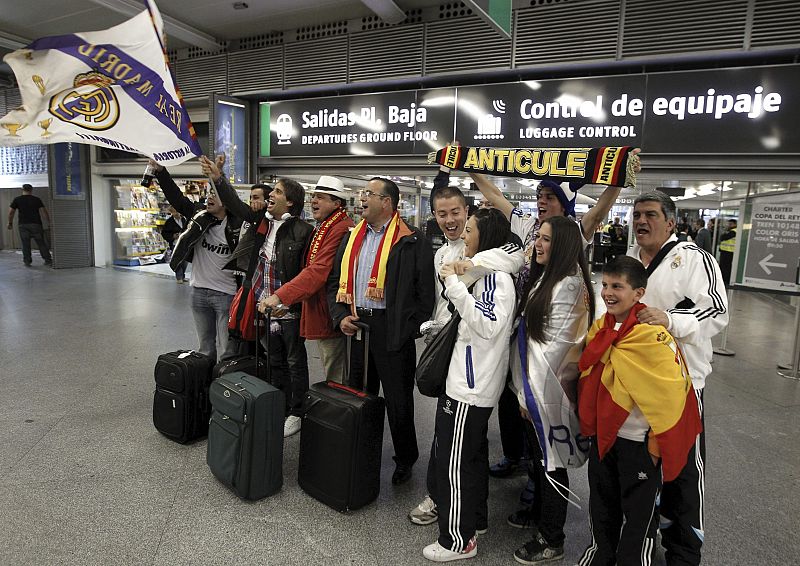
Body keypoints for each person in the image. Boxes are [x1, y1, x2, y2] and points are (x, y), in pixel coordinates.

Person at [467, 150, 639, 505]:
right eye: (539, 196)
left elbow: (601, 211)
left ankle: (539, 471)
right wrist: (468, 165)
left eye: (549, 198)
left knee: (540, 403)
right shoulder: (528, 225)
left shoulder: (574, 231)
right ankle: (516, 457)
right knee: (512, 399)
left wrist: (620, 177)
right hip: (516, 326)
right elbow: (498, 199)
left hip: (548, 331)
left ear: (563, 204)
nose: (541, 202)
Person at [408, 182, 524, 529]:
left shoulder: (494, 251)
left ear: (468, 212)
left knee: (462, 438)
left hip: (478, 359)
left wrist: (469, 264)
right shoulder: (440, 254)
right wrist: (434, 328)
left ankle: (451, 505)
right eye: (442, 214)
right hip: (449, 347)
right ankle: (452, 499)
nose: (450, 220)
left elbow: (513, 258)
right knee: (451, 433)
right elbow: (442, 302)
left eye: (456, 213)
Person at [576, 256, 702, 566]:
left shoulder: (652, 337)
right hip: (605, 438)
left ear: (639, 293)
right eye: (605, 285)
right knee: (602, 504)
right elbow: (589, 376)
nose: (608, 292)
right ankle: (601, 555)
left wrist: (656, 444)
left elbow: (671, 395)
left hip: (639, 443)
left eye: (617, 286)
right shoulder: (600, 328)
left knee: (639, 514)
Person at [628, 191, 728, 566]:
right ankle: (640, 544)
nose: (641, 221)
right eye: (637, 214)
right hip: (636, 388)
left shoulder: (693, 259)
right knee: (642, 471)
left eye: (651, 215)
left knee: (682, 473)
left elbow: (717, 311)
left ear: (670, 222)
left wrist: (671, 320)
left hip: (683, 387)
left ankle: (684, 554)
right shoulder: (630, 262)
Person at [328, 177, 434, 485]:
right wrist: (340, 317)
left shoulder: (411, 240)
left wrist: (406, 330)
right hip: (357, 325)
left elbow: (424, 295)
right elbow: (335, 282)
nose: (361, 199)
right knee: (359, 394)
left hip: (392, 330)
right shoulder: (352, 238)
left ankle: (405, 459)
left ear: (386, 201)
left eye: (368, 194)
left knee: (399, 401)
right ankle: (363, 449)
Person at [200, 156, 313, 438]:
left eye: (277, 192)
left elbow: (305, 273)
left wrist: (288, 302)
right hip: (264, 305)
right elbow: (236, 204)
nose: (270, 195)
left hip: (288, 309)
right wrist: (218, 178)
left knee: (294, 362)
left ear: (291, 203)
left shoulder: (303, 231)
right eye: (271, 191)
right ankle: (280, 402)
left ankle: (297, 411)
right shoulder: (262, 221)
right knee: (273, 360)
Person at [509, 215, 596, 565]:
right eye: (538, 238)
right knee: (540, 458)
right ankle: (541, 518)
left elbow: (556, 348)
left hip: (548, 391)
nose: (538, 244)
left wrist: (528, 394)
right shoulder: (552, 276)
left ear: (562, 244)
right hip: (534, 386)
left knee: (551, 462)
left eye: (546, 239)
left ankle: (551, 538)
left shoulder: (570, 285)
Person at [259, 176, 354, 384]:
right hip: (319, 308)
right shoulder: (325, 226)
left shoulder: (339, 228)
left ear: (337, 203)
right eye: (313, 197)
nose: (314, 201)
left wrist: (280, 296)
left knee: (335, 374)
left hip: (331, 312)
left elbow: (318, 271)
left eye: (320, 197)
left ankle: (336, 413)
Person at [152, 160, 242, 362]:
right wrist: (160, 172)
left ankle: (225, 388)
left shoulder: (237, 225)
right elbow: (177, 198)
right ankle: (204, 385)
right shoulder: (199, 215)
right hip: (198, 292)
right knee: (205, 349)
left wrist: (220, 173)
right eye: (208, 194)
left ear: (226, 202)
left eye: (215, 195)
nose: (209, 198)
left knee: (228, 349)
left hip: (226, 295)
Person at [7, 183, 52, 266]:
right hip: (36, 225)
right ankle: (48, 260)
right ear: (31, 190)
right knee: (41, 243)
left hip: (23, 225)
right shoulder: (36, 200)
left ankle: (27, 261)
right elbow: (44, 212)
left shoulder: (17, 199)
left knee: (25, 244)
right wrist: (49, 222)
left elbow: (11, 213)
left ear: (22, 189)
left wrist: (10, 223)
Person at [160, 205, 188, 283]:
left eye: (178, 211)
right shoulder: (169, 222)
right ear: (172, 212)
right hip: (175, 244)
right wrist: (173, 236)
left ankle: (183, 276)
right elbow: (164, 233)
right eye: (175, 211)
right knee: (177, 259)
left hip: (184, 243)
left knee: (185, 260)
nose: (177, 213)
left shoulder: (184, 220)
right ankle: (179, 277)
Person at [718, 218, 737, 287]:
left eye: (730, 224)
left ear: (735, 224)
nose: (729, 225)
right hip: (725, 251)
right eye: (728, 224)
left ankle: (726, 281)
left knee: (726, 267)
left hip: (729, 252)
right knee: (723, 267)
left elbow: (723, 237)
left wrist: (723, 235)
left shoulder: (733, 231)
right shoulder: (730, 231)